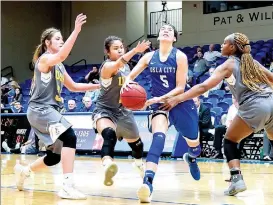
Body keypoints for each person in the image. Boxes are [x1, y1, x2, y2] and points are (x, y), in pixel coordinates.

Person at [161, 32, 273, 196]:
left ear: (232, 47)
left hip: (254, 105)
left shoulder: (228, 64)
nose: (221, 45)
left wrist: (178, 99)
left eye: (224, 43)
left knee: (229, 140)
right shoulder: (251, 62)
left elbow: (203, 87)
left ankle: (236, 179)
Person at [14, 14, 100, 200]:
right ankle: (68, 186)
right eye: (58, 38)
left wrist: (98, 86)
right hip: (40, 109)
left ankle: (24, 171)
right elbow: (62, 54)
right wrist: (76, 30)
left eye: (62, 38)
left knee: (55, 157)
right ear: (47, 43)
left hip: (47, 111)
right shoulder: (44, 60)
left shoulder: (59, 65)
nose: (61, 41)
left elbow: (74, 87)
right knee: (70, 136)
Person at [122, 24, 201, 203]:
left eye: (170, 30)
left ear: (174, 38)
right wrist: (127, 82)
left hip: (180, 101)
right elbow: (130, 76)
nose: (165, 30)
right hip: (160, 105)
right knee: (159, 137)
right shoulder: (149, 57)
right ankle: (148, 183)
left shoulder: (180, 57)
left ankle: (191, 158)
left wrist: (159, 99)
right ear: (158, 36)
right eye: (163, 29)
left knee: (194, 145)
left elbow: (181, 87)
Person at [91, 36, 150, 186]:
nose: (120, 50)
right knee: (109, 135)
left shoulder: (126, 68)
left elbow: (128, 80)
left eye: (121, 47)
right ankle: (108, 165)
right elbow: (119, 62)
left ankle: (138, 164)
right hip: (105, 110)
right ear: (107, 52)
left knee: (138, 146)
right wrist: (136, 50)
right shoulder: (107, 67)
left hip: (123, 111)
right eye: (115, 48)